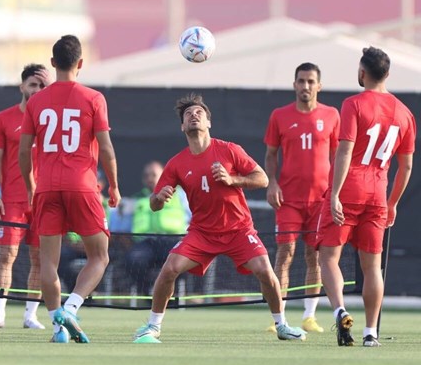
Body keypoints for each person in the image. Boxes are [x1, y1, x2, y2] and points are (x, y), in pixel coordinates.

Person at [133, 93, 307, 342]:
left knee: (266, 272)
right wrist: (159, 197)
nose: (194, 116)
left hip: (238, 230)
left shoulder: (229, 150)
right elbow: (154, 205)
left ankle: (282, 325)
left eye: (199, 113)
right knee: (170, 268)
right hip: (202, 233)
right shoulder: (176, 164)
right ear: (183, 126)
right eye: (188, 114)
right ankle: (152, 326)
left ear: (208, 123)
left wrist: (232, 179)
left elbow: (263, 179)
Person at [19, 34, 121, 343]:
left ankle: (58, 329)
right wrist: (114, 185)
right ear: (80, 63)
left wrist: (30, 186)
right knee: (100, 256)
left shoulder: (35, 101)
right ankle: (72, 308)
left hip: (47, 188)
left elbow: (24, 152)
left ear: (52, 63)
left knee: (48, 262)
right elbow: (106, 148)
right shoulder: (93, 98)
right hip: (82, 185)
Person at [317, 47, 416, 347]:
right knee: (372, 266)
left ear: (362, 73)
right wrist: (393, 202)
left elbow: (345, 150)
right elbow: (407, 165)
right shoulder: (405, 113)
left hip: (350, 188)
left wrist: (334, 194)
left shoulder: (354, 104)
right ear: (387, 74)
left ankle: (340, 310)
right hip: (378, 192)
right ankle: (370, 332)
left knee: (328, 257)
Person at [263, 62, 339, 333]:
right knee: (285, 254)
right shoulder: (279, 116)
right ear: (294, 84)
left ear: (319, 85)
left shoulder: (331, 115)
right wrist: (272, 183)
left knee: (315, 256)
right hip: (288, 200)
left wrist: (336, 193)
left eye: (310, 81)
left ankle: (309, 315)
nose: (305, 86)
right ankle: (279, 318)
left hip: (320, 200)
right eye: (301, 81)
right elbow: (271, 154)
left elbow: (338, 156)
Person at [0, 63, 51, 330]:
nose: (37, 90)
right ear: (22, 86)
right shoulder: (3, 118)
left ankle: (30, 315)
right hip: (11, 199)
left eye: (42, 85)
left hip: (43, 200)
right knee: (6, 255)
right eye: (32, 85)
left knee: (40, 258)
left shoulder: (51, 120)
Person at [125, 160, 189, 296]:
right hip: (145, 243)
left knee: (182, 262)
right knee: (134, 260)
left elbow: (194, 216)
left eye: (153, 175)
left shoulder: (180, 195)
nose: (149, 179)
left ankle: (170, 295)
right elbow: (123, 225)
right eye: (146, 175)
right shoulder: (136, 198)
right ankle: (147, 294)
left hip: (173, 241)